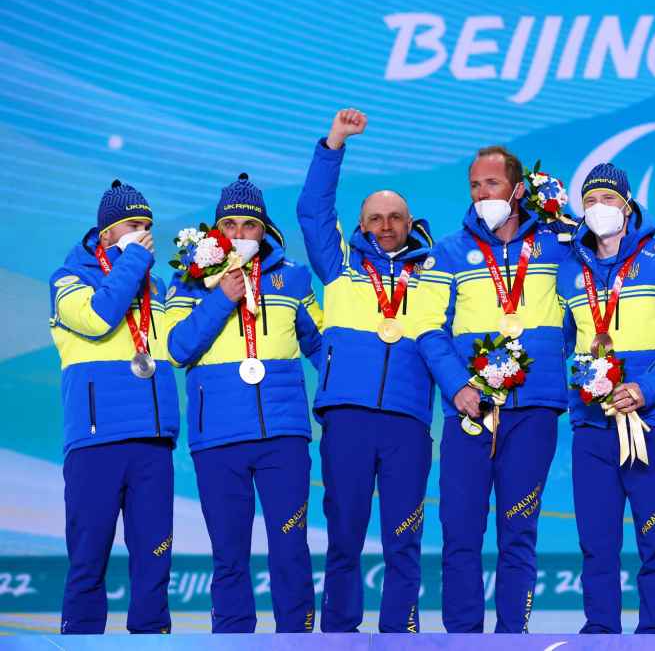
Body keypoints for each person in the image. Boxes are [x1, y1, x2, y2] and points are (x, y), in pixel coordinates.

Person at [417, 147, 655, 633]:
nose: (482, 195)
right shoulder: (449, 252)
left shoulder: (563, 246)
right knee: (459, 530)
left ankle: (513, 636)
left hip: (536, 408)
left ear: (518, 190)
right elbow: (428, 328)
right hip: (471, 407)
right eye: (475, 186)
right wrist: (456, 386)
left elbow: (616, 252)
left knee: (519, 531)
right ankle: (461, 639)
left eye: (492, 185)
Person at [296, 108, 449, 633]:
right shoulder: (338, 266)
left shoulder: (437, 275)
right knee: (344, 534)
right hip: (348, 417)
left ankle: (400, 631)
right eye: (376, 219)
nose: (386, 227)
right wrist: (334, 144)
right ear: (361, 226)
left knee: (405, 535)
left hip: (407, 419)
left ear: (411, 225)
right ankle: (338, 633)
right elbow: (313, 210)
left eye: (396, 218)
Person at [165, 174, 322, 633]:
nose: (238, 234)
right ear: (215, 231)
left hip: (283, 435)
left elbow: (319, 345)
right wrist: (219, 299)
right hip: (218, 437)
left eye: (247, 225)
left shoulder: (292, 277)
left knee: (290, 546)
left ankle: (298, 639)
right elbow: (177, 349)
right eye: (228, 224)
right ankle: (232, 640)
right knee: (229, 553)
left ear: (264, 230)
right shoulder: (187, 278)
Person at [557, 163, 655, 634]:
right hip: (593, 425)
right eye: (591, 201)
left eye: (609, 200)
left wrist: (643, 389)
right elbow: (568, 343)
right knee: (596, 540)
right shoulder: (569, 268)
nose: (600, 209)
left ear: (628, 204)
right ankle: (599, 631)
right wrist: (587, 384)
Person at [49, 180, 180, 634]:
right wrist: (135, 261)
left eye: (147, 226)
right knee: (89, 556)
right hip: (95, 438)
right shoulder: (68, 280)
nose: (143, 233)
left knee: (154, 556)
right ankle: (81, 640)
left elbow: (179, 345)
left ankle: (152, 639)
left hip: (151, 438)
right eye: (132, 225)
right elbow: (99, 317)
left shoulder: (156, 286)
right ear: (105, 234)